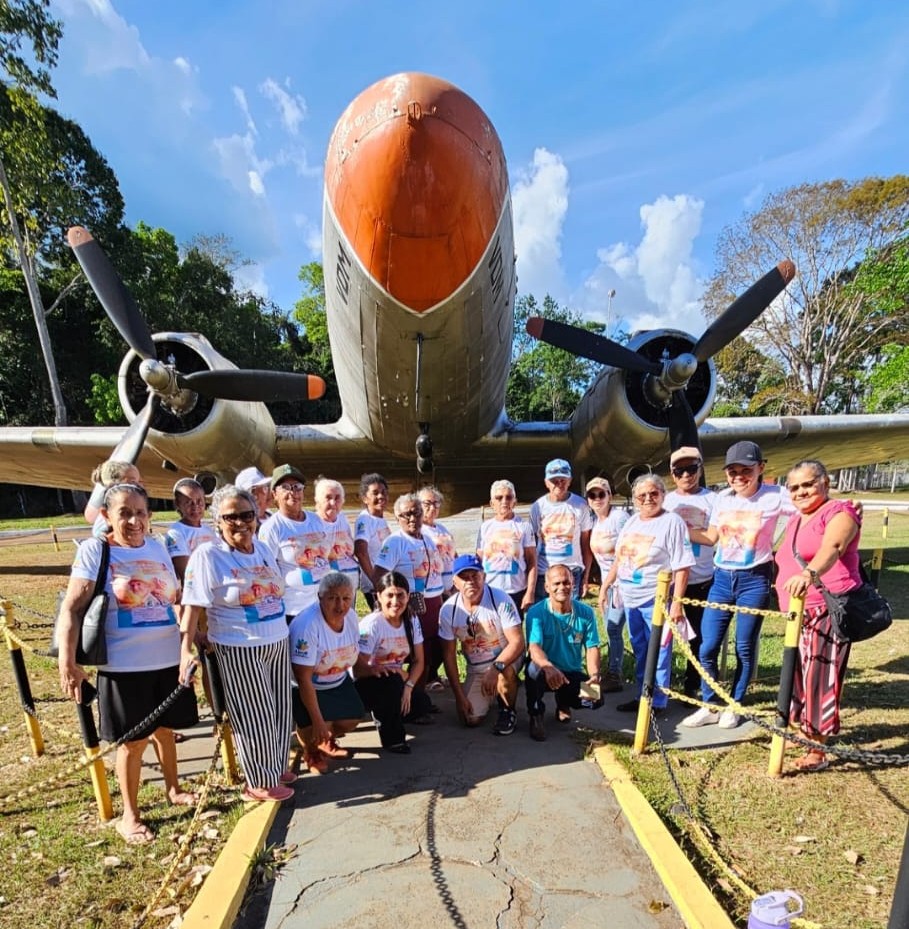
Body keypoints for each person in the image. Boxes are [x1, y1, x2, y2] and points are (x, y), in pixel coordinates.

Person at [58, 483, 199, 843]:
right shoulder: (96, 550)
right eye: (124, 513)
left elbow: (175, 598)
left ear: (149, 516)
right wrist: (68, 662)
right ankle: (130, 816)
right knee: (132, 743)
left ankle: (173, 789)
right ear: (107, 515)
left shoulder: (157, 547)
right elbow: (72, 608)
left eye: (140, 512)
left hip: (167, 660)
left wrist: (188, 644)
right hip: (124, 667)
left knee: (166, 730)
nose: (134, 521)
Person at [182, 485, 294, 802]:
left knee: (279, 710)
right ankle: (259, 781)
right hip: (238, 645)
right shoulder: (208, 555)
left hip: (276, 639)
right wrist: (185, 649)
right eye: (231, 517)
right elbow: (192, 605)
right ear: (218, 521)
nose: (241, 523)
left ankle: (275, 767)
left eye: (247, 515)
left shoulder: (262, 549)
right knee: (255, 714)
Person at [683, 440, 794, 729]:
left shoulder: (776, 496)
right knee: (707, 646)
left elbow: (807, 511)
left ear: (761, 468)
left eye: (746, 470)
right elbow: (710, 537)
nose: (739, 477)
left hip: (754, 579)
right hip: (721, 578)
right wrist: (676, 526)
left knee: (744, 647)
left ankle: (735, 705)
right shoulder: (723, 499)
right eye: (732, 472)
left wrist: (842, 510)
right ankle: (711, 704)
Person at [774, 460, 862, 772]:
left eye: (808, 484)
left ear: (825, 482)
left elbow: (834, 546)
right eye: (794, 487)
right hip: (798, 613)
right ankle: (804, 733)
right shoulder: (796, 519)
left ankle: (817, 750)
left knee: (819, 678)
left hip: (826, 609)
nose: (801, 492)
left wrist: (809, 574)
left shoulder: (839, 512)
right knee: (799, 674)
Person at [602, 475, 693, 715]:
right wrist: (606, 585)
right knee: (641, 648)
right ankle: (643, 695)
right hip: (630, 598)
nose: (648, 499)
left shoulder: (672, 522)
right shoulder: (632, 522)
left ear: (663, 494)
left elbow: (682, 566)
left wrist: (676, 604)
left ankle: (657, 701)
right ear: (634, 499)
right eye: (642, 496)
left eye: (653, 493)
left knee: (659, 650)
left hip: (655, 598)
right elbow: (620, 559)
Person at [439, 554, 525, 736]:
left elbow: (517, 642)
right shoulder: (448, 610)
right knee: (469, 719)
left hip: (504, 660)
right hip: (476, 667)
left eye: (475, 576)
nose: (470, 582)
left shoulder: (500, 599)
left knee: (504, 673)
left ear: (483, 576)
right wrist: (459, 696)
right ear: (455, 582)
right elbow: (449, 656)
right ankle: (493, 693)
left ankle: (508, 710)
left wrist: (495, 669)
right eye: (464, 577)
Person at [289, 572, 365, 773]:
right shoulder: (307, 626)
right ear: (320, 597)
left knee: (352, 719)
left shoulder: (351, 617)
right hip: (307, 685)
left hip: (337, 679)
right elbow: (303, 678)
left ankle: (325, 739)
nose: (340, 605)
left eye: (346, 598)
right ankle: (311, 750)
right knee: (320, 724)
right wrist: (318, 721)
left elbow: (354, 651)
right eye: (332, 598)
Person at [374, 494, 444, 695]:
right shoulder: (395, 542)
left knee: (430, 651)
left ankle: (420, 697)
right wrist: (391, 603)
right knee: (413, 652)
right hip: (411, 604)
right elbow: (380, 575)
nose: (413, 518)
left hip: (433, 602)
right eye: (407, 514)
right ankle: (409, 697)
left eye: (417, 513)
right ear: (398, 517)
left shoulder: (427, 539)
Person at [354, 571, 430, 753]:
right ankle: (393, 739)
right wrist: (394, 672)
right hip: (367, 682)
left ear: (408, 596)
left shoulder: (411, 620)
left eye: (400, 595)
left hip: (397, 681)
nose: (395, 602)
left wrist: (409, 687)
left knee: (422, 703)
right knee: (392, 685)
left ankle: (387, 712)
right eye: (390, 595)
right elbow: (358, 669)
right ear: (378, 596)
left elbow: (419, 660)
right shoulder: (372, 625)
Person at [524, 565, 601, 742]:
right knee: (532, 671)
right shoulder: (536, 612)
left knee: (595, 698)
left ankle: (564, 702)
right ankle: (536, 714)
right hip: (546, 670)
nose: (562, 587)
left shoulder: (586, 613)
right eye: (556, 583)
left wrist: (594, 676)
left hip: (570, 673)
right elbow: (534, 647)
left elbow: (592, 647)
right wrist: (548, 667)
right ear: (547, 587)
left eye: (566, 582)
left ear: (573, 584)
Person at [663, 448, 717, 698]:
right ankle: (660, 686)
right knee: (663, 636)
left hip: (701, 578)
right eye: (679, 470)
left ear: (700, 469)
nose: (686, 475)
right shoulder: (666, 501)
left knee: (699, 637)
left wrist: (678, 530)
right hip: (669, 580)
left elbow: (713, 537)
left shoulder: (713, 500)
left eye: (691, 469)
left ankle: (693, 684)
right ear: (672, 474)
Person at [258, 464, 328, 622]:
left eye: (297, 487)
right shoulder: (271, 528)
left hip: (321, 604)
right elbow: (267, 571)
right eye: (285, 487)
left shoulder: (315, 520)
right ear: (274, 494)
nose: (293, 492)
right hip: (292, 609)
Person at [586, 477, 629, 693]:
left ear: (610, 495)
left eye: (601, 494)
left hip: (624, 584)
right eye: (592, 495)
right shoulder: (595, 522)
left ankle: (616, 674)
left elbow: (624, 554)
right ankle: (611, 672)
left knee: (615, 628)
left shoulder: (620, 517)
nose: (597, 498)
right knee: (611, 630)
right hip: (608, 584)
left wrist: (605, 587)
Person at [529, 459, 593, 601]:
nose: (559, 484)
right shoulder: (537, 507)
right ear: (546, 482)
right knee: (544, 613)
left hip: (572, 572)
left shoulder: (581, 505)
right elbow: (532, 545)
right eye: (554, 480)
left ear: (569, 481)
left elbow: (586, 544)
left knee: (569, 613)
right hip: (544, 572)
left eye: (563, 480)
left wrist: (586, 577)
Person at [475, 479, 537, 617]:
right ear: (492, 503)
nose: (504, 501)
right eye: (499, 498)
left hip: (516, 591)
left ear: (514, 501)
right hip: (489, 591)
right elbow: (478, 561)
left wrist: (530, 592)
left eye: (509, 497)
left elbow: (532, 562)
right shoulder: (485, 527)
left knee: (514, 629)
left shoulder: (524, 526)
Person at [165, 478, 217, 585]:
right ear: (178, 504)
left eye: (199, 501)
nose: (195, 507)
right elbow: (186, 573)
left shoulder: (208, 530)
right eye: (189, 503)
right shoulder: (176, 533)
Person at [353, 473, 391, 611]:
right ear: (365, 498)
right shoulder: (365, 519)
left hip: (386, 582)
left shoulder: (380, 519)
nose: (381, 496)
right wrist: (375, 580)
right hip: (375, 587)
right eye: (375, 493)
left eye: (383, 492)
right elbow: (360, 551)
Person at [314, 478, 359, 591]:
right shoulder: (313, 523)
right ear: (317, 500)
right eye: (328, 497)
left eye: (337, 498)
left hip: (349, 582)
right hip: (327, 585)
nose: (333, 503)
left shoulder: (342, 519)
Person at [84, 460, 143, 537]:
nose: (140, 486)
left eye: (139, 481)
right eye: (133, 482)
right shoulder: (105, 526)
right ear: (114, 485)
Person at [418, 485, 457, 595]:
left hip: (452, 588)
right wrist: (444, 591)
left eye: (436, 503)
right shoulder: (418, 531)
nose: (432, 507)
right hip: (434, 591)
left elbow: (454, 556)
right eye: (427, 504)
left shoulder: (442, 529)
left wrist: (457, 583)